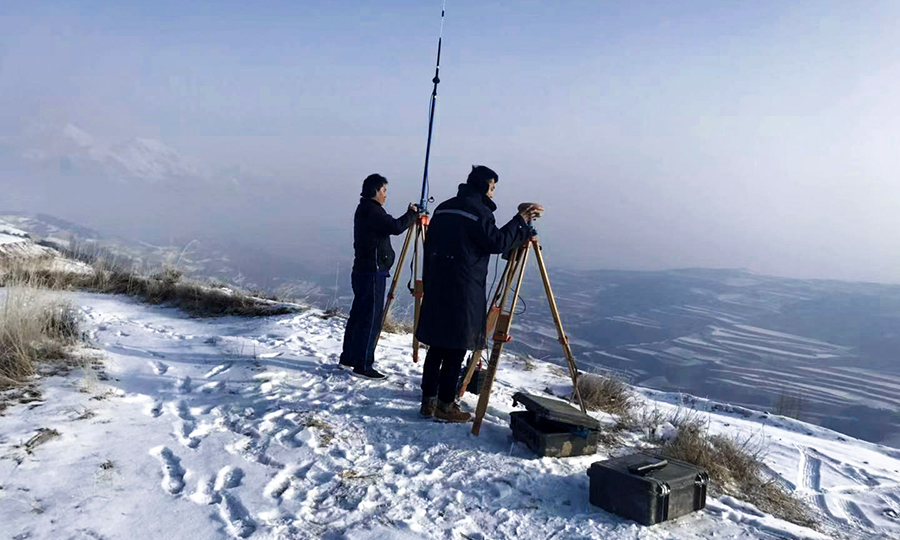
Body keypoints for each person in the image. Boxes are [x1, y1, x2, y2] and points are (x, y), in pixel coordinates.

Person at [415, 165, 543, 422]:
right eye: (492, 187)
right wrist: (520, 220)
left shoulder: (443, 208)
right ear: (484, 186)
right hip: (464, 287)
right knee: (456, 346)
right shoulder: (478, 212)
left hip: (437, 282)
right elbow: (496, 242)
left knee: (437, 346)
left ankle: (428, 402)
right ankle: (445, 406)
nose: (493, 193)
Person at [339, 173, 418, 379]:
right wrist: (412, 215)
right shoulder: (373, 211)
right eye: (384, 190)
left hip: (362, 270)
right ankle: (363, 365)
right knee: (371, 319)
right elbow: (395, 227)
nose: (385, 195)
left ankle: (349, 358)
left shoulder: (364, 208)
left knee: (358, 316)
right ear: (375, 190)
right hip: (373, 272)